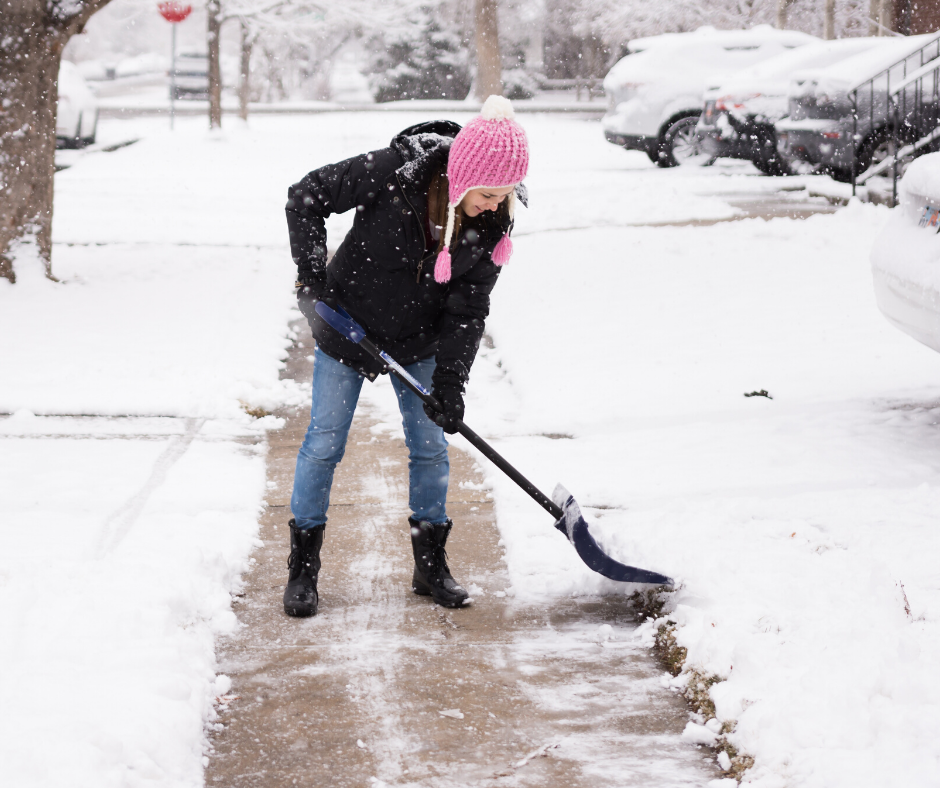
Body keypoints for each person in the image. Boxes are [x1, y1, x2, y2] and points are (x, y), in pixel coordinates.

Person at [282, 95, 530, 617]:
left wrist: (451, 385)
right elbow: (306, 195)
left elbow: (468, 309)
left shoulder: (492, 224)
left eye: (505, 196)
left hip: (420, 341)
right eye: (487, 194)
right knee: (324, 443)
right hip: (347, 326)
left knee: (430, 446)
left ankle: (430, 565)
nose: (494, 205)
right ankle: (303, 569)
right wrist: (311, 275)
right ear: (462, 177)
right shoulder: (392, 173)